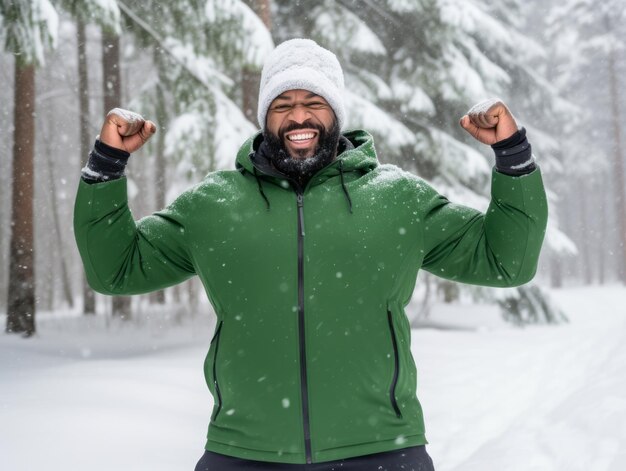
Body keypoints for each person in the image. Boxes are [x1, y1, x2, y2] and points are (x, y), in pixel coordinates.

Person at [74, 38, 548, 470]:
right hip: (244, 451)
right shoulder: (214, 205)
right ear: (265, 118)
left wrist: (512, 155)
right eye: (282, 105)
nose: (298, 117)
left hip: (382, 449)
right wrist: (106, 167)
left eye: (313, 102)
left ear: (336, 112)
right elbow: (116, 270)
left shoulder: (397, 198)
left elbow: (505, 260)